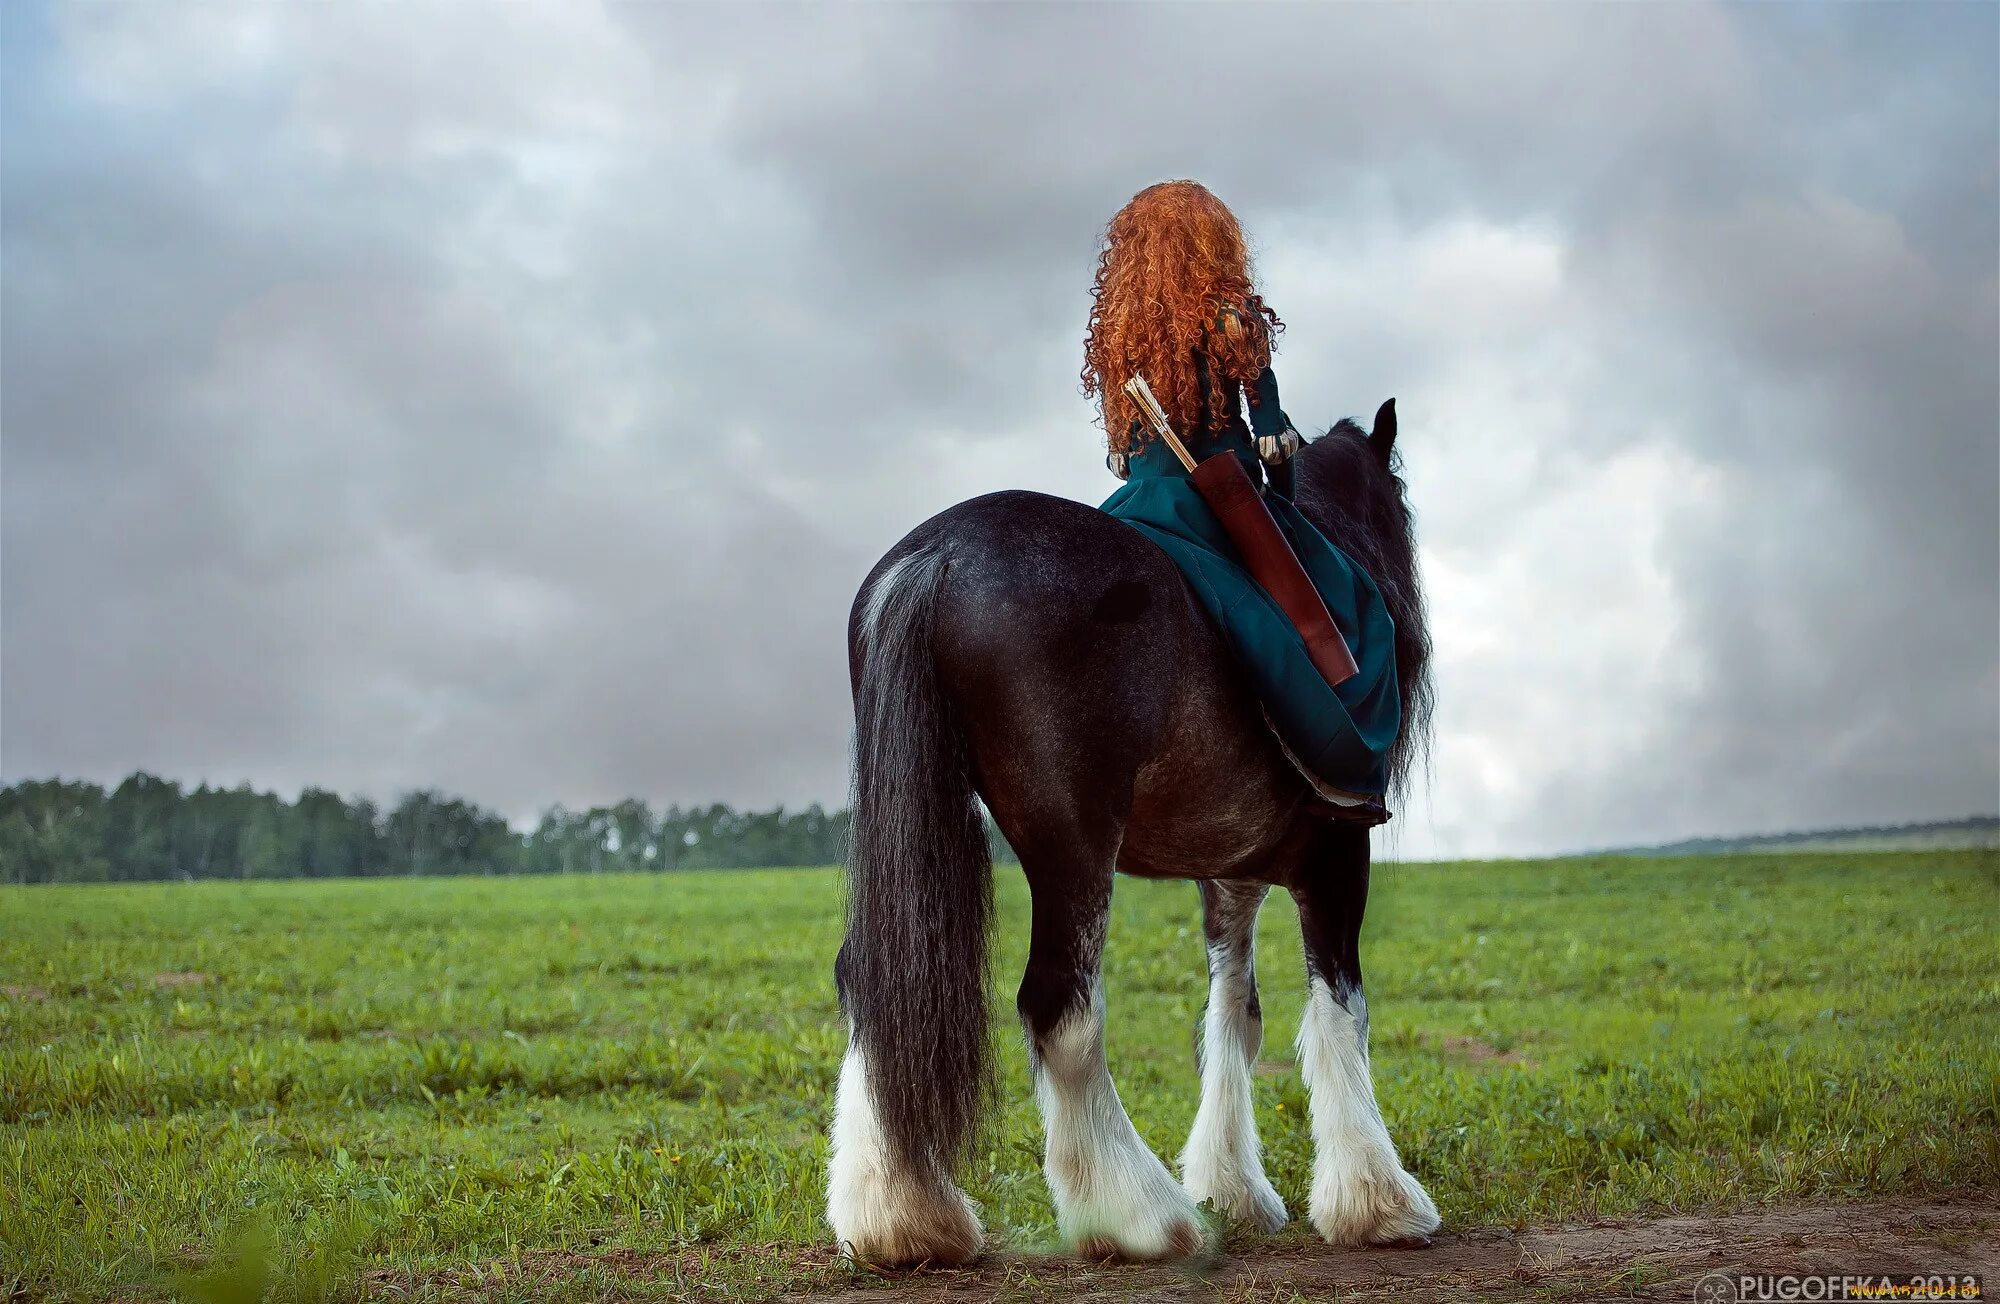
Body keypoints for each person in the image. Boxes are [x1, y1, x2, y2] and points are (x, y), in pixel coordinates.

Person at [1085, 180, 1401, 809]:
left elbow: (1121, 462)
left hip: (1137, 510)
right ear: (1215, 245)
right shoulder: (1232, 319)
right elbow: (1276, 444)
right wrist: (1278, 479)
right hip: (1220, 506)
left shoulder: (1122, 338)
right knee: (1361, 610)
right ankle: (1332, 775)